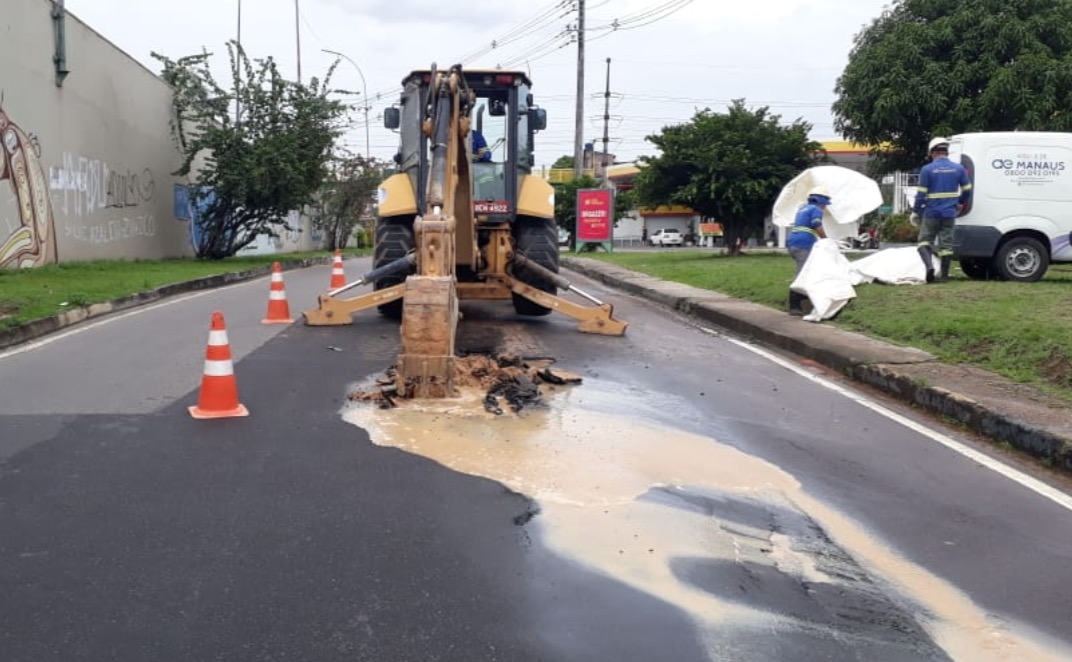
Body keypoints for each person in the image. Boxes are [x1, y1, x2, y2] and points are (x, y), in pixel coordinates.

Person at [912, 137, 972, 282]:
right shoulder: (958, 169)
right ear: (947, 152)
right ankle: (944, 276)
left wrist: (916, 211)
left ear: (932, 152)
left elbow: (921, 195)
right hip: (949, 213)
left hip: (931, 212)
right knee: (946, 245)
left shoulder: (927, 170)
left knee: (924, 242)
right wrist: (960, 202)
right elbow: (967, 190)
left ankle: (929, 267)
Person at [785, 186, 830, 316]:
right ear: (821, 201)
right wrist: (826, 239)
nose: (825, 207)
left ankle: (804, 296)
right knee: (801, 273)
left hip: (792, 242)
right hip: (803, 244)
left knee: (806, 270)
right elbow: (817, 225)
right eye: (825, 204)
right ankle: (794, 304)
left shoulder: (802, 209)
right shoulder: (816, 210)